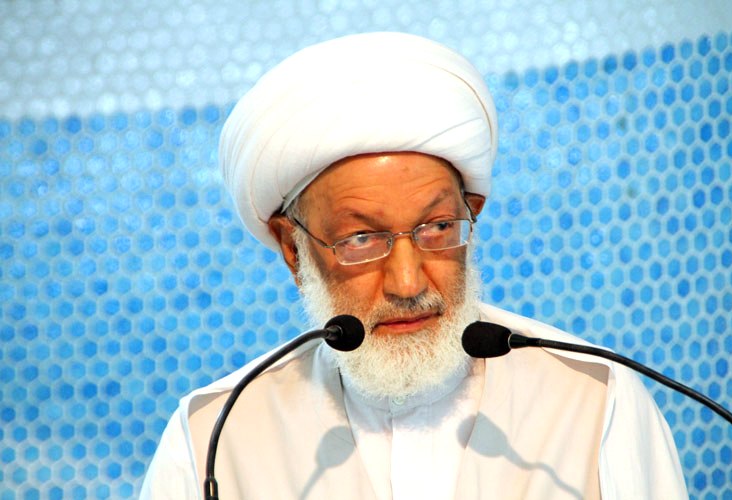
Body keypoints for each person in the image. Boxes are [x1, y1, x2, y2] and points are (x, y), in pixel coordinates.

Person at [140, 32, 687, 499]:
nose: (407, 282)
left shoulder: (596, 400)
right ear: (292, 248)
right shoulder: (214, 438)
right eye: (361, 238)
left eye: (438, 228)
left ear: (472, 215)